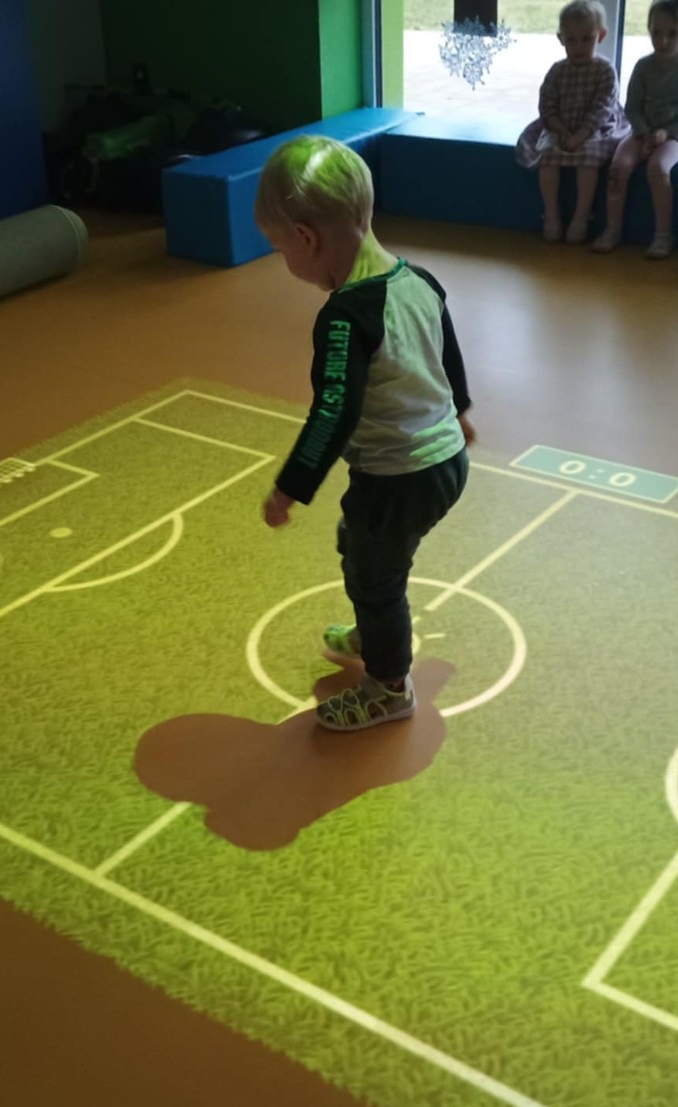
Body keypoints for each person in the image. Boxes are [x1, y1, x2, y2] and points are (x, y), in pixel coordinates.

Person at [255, 136, 475, 732]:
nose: (284, 260)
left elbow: (333, 413)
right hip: (446, 461)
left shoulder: (345, 317)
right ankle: (376, 634)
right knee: (361, 543)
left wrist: (289, 488)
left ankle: (388, 687)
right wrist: (459, 411)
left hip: (398, 477)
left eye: (279, 248)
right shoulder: (420, 280)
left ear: (305, 238)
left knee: (374, 578)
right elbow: (448, 350)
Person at [595, 0, 678, 258]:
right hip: (641, 132)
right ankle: (612, 229)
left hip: (676, 136)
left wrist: (668, 132)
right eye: (656, 32)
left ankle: (663, 234)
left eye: (672, 34)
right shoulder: (643, 66)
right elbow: (632, 106)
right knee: (618, 168)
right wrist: (643, 131)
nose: (662, 41)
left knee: (658, 168)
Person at [517, 1, 631, 245]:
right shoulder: (558, 71)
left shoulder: (605, 70)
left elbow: (602, 107)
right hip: (560, 125)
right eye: (571, 40)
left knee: (588, 158)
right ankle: (551, 214)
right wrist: (559, 129)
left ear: (601, 36)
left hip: (597, 127)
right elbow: (547, 104)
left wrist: (581, 134)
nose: (579, 47)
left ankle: (581, 216)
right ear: (561, 39)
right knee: (546, 156)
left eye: (587, 39)